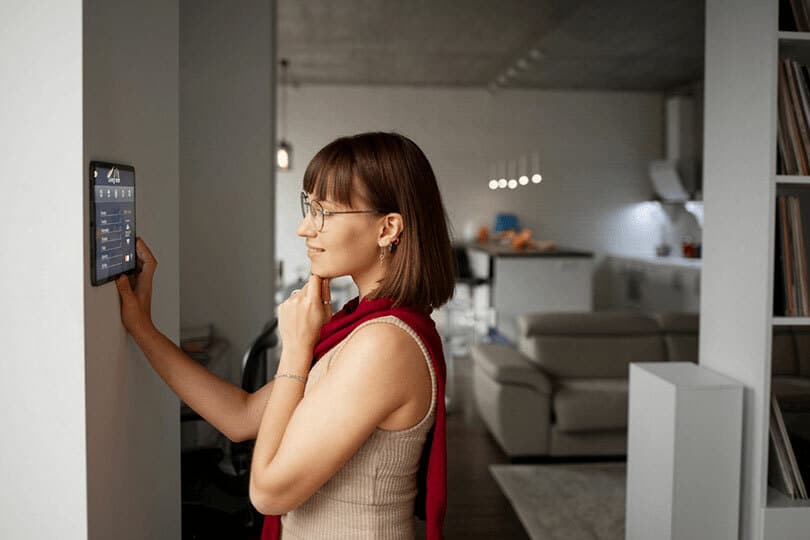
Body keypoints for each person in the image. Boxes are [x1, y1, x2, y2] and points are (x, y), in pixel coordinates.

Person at [115, 131, 455, 539]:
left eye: (324, 212)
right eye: (308, 207)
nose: (304, 228)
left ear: (387, 229)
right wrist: (142, 328)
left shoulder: (385, 344)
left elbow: (268, 493)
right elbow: (240, 417)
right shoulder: (364, 330)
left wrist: (295, 348)